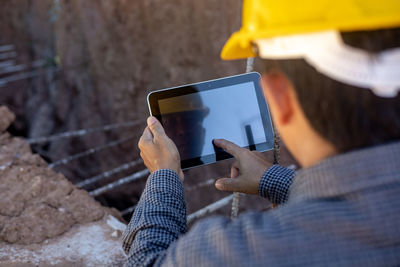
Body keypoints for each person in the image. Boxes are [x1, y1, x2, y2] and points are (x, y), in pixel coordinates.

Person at [122, 1, 400, 266]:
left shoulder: (247, 254)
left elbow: (146, 261)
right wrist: (275, 181)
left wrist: (164, 176)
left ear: (279, 98)